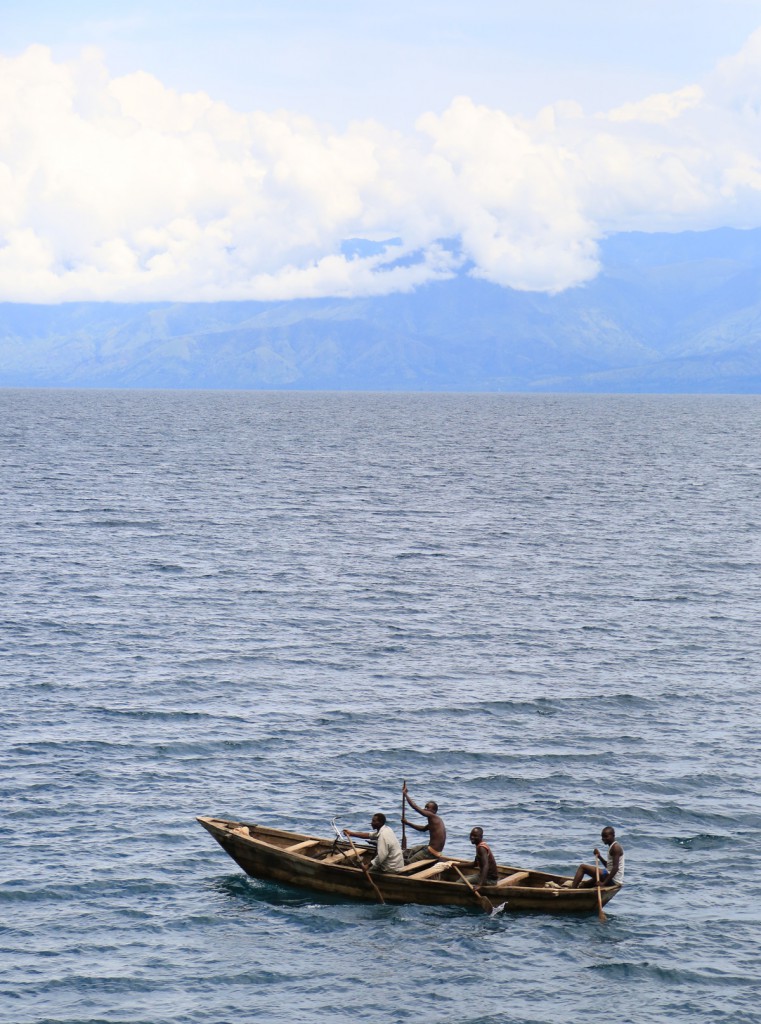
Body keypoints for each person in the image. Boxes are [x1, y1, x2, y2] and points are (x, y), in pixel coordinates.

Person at [401, 782, 447, 863]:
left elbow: (415, 807)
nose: (425, 809)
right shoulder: (435, 821)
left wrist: (405, 794)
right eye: (425, 807)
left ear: (434, 811)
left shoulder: (433, 816)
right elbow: (422, 829)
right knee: (413, 850)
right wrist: (407, 823)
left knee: (408, 862)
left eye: (428, 808)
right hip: (431, 849)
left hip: (431, 852)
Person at [465, 826, 499, 893]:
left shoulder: (481, 848)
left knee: (460, 881)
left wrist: (479, 885)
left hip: (490, 880)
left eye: (475, 836)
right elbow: (474, 864)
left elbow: (486, 866)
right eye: (471, 835)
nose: (472, 837)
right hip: (486, 877)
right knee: (464, 878)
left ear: (481, 837)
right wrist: (456, 865)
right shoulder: (479, 846)